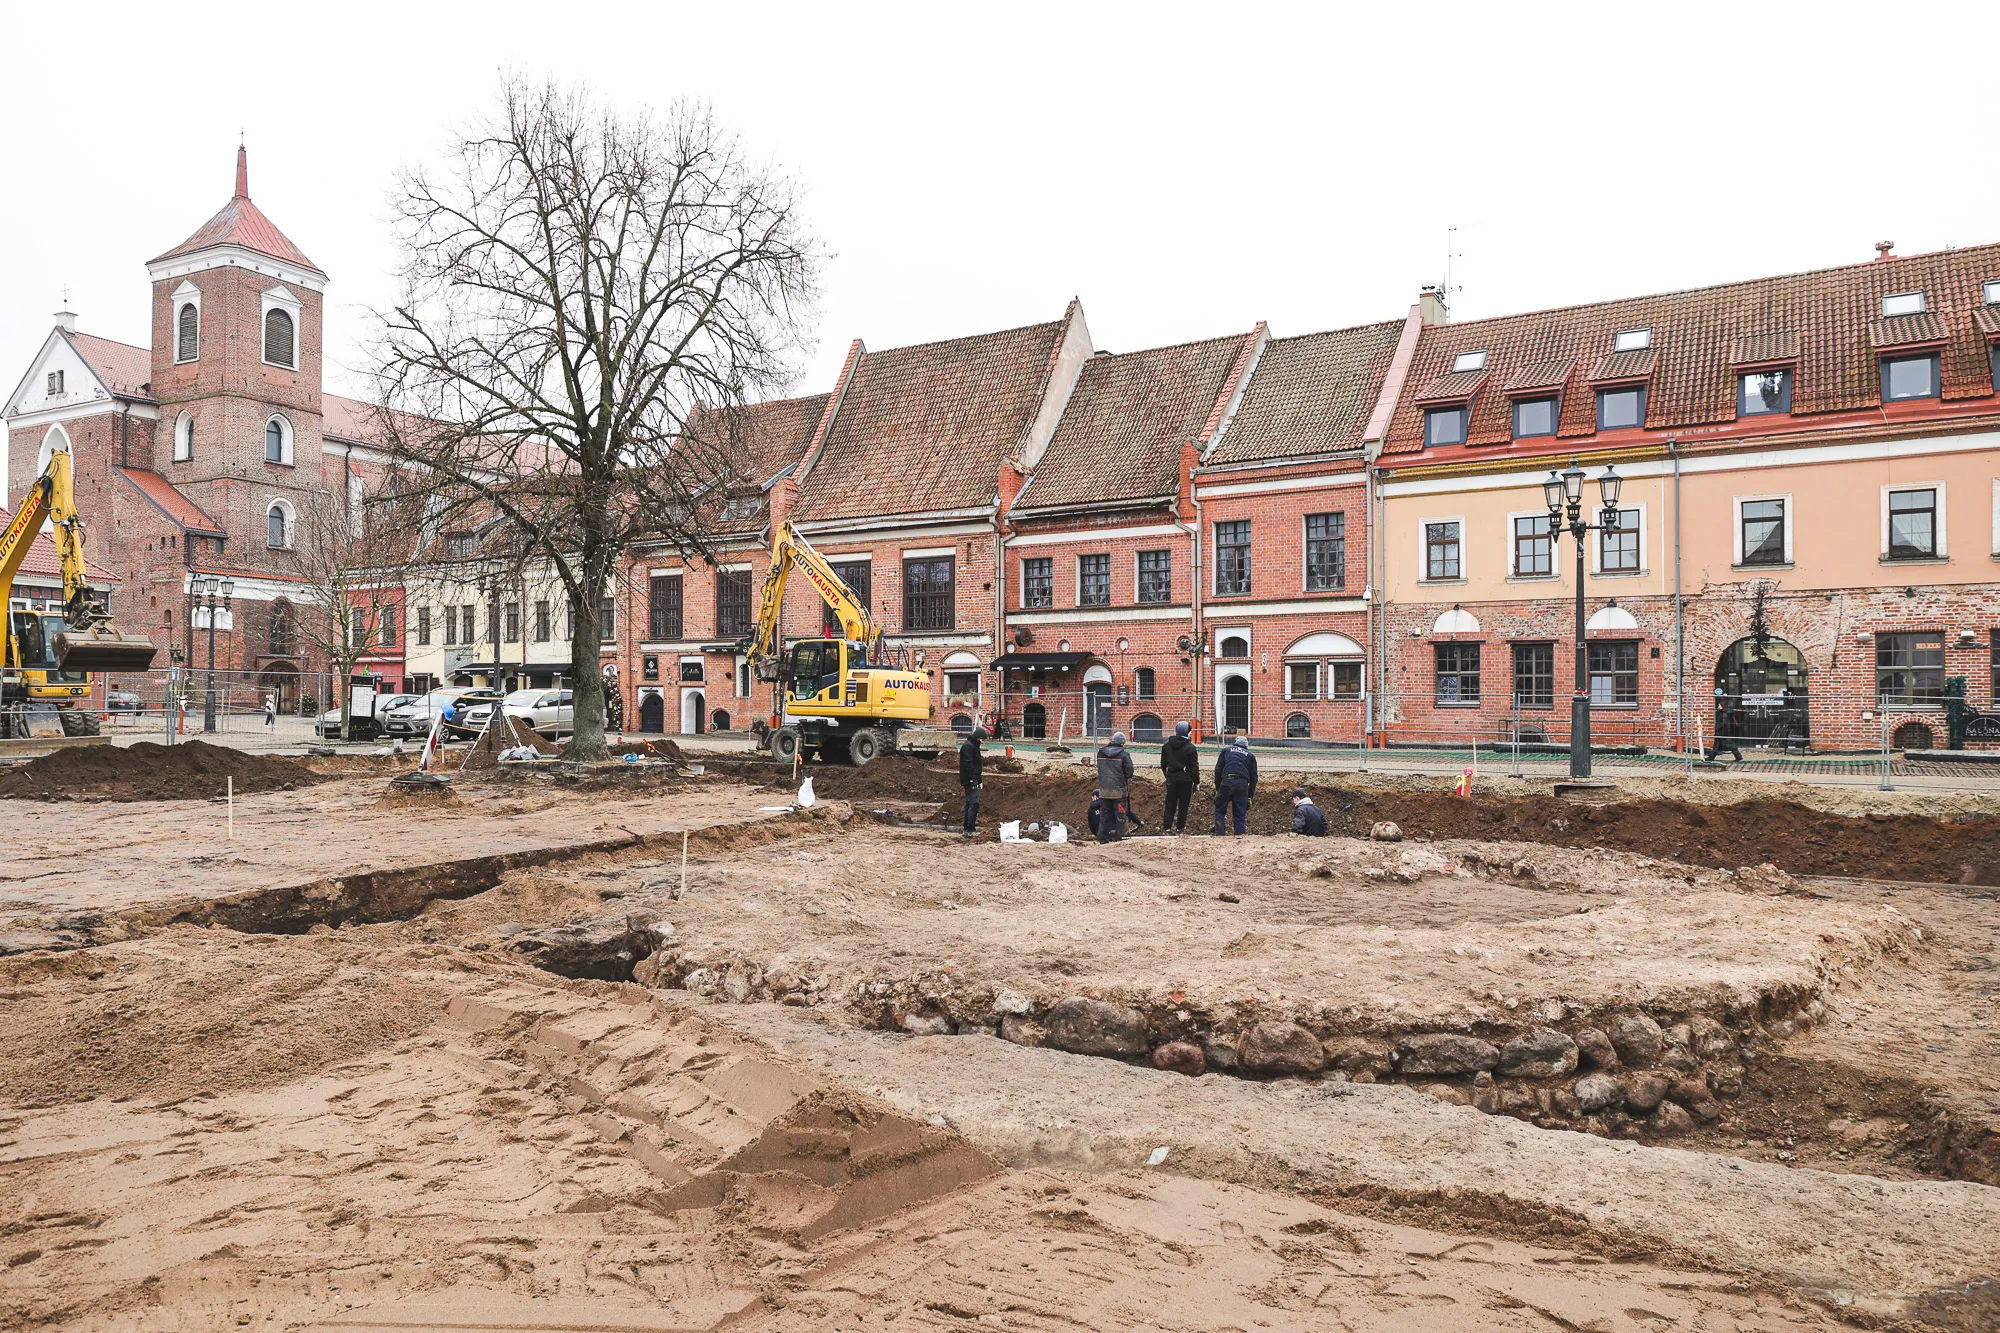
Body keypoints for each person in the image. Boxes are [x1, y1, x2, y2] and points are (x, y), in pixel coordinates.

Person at [1211, 733, 1258, 836]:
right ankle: (1239, 836)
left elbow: (1218, 769)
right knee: (1240, 814)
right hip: (1242, 785)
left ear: (1235, 743)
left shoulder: (1226, 751)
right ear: (1246, 746)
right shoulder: (1250, 756)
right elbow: (1254, 778)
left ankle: (1220, 835)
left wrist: (1218, 789)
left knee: (1220, 811)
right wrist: (1249, 796)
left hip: (1226, 782)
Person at [1159, 720, 1200, 835]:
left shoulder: (1166, 746)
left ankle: (1167, 828)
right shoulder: (1190, 748)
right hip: (1186, 780)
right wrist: (1196, 782)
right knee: (1183, 805)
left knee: (1170, 804)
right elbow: (1194, 767)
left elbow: (1163, 764)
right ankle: (1179, 829)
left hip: (1172, 779)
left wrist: (1168, 776)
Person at [1095, 730, 1135, 843]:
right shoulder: (1123, 755)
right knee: (1120, 816)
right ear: (1122, 743)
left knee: (1104, 815)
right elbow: (1129, 771)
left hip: (1104, 790)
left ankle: (1102, 837)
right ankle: (1119, 838)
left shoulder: (1100, 753)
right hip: (1118, 790)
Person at [958, 726, 985, 834]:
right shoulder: (969, 747)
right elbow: (968, 764)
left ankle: (967, 826)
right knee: (973, 804)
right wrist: (973, 779)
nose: (983, 741)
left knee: (969, 803)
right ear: (978, 737)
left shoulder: (972, 745)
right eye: (982, 739)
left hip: (971, 779)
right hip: (970, 779)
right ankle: (970, 828)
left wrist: (979, 779)